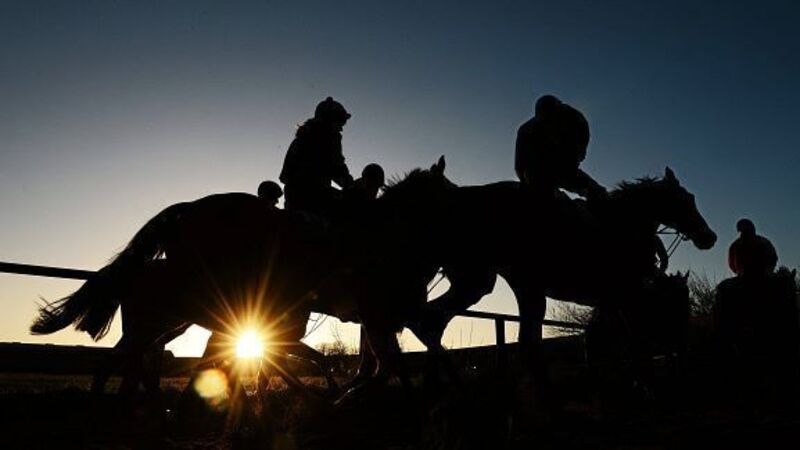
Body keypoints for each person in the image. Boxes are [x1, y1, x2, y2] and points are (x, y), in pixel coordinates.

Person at [515, 94, 606, 201]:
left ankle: (600, 197)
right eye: (547, 120)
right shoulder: (526, 130)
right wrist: (525, 182)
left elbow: (581, 140)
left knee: (590, 188)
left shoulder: (574, 118)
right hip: (537, 167)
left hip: (564, 161)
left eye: (553, 119)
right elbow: (519, 164)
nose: (550, 124)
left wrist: (576, 157)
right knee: (538, 179)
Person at [279, 97, 354, 217]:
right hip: (314, 202)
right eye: (340, 122)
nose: (341, 128)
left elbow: (284, 177)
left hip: (293, 200)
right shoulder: (329, 137)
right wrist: (352, 186)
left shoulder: (300, 139)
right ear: (329, 119)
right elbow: (337, 168)